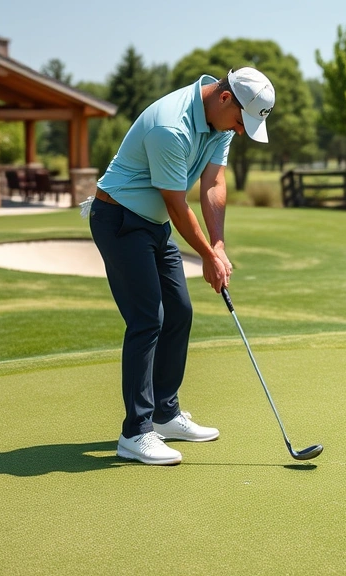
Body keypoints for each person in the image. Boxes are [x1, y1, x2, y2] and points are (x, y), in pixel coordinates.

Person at [87, 67, 275, 465]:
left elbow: (213, 183)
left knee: (179, 312)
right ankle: (135, 433)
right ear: (225, 98)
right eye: (242, 122)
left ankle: (164, 413)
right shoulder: (171, 126)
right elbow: (176, 204)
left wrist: (219, 245)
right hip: (119, 219)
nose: (240, 132)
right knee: (147, 319)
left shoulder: (221, 123)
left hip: (152, 225)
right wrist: (206, 255)